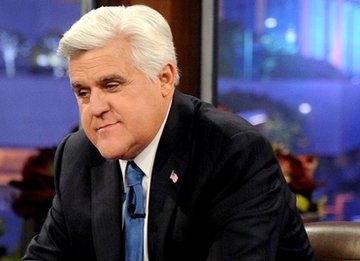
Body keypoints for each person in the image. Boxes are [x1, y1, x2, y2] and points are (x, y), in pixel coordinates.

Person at [23, 5, 314, 260]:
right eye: (83, 92)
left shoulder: (231, 152)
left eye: (111, 85)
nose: (95, 107)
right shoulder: (79, 155)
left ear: (164, 79)